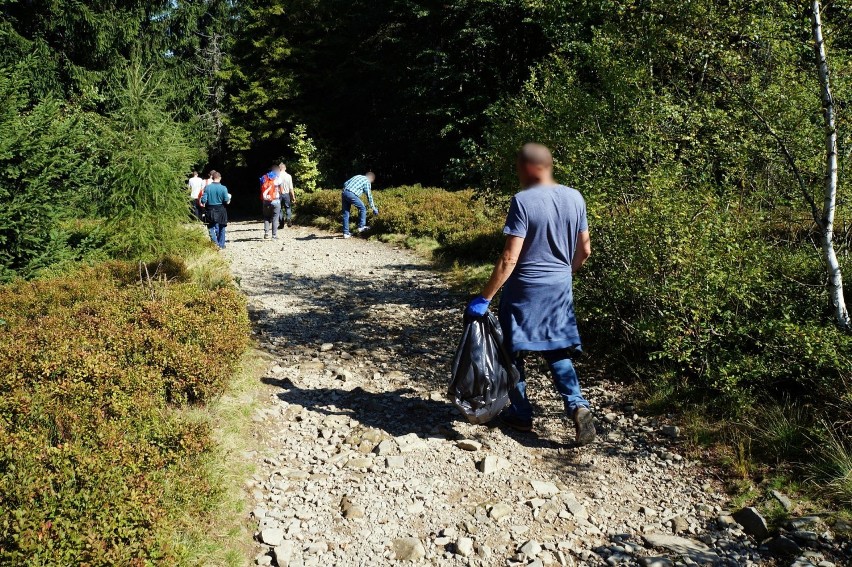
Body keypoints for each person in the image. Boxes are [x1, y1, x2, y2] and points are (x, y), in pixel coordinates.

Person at [465, 143, 596, 446]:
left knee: (512, 352)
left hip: (524, 289)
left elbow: (510, 258)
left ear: (528, 168)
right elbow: (585, 250)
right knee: (557, 350)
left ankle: (521, 414)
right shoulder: (575, 197)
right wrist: (565, 273)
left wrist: (484, 298)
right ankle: (577, 405)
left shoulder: (522, 201)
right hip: (559, 289)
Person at [341, 172, 378, 239]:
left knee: (346, 213)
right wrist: (373, 207)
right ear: (371, 178)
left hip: (344, 192)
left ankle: (345, 233)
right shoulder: (367, 181)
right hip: (351, 194)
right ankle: (361, 227)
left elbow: (345, 183)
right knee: (362, 208)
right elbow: (369, 195)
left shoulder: (357, 176)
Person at [200, 170, 231, 249]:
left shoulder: (207, 187)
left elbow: (203, 200)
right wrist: (229, 199)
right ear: (220, 178)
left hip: (210, 209)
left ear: (212, 177)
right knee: (222, 227)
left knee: (210, 227)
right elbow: (226, 201)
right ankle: (221, 245)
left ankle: (215, 243)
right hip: (221, 209)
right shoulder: (223, 188)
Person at [259, 166, 282, 240]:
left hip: (266, 201)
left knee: (266, 217)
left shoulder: (264, 177)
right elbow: (281, 190)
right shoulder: (278, 178)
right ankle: (274, 236)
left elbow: (261, 188)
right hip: (276, 200)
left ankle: (266, 233)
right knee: (275, 218)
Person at [277, 163, 296, 229]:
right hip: (286, 194)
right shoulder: (289, 176)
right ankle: (288, 219)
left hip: (278, 194)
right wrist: (293, 197)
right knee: (288, 207)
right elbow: (291, 188)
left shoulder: (277, 175)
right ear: (285, 168)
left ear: (279, 168)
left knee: (279, 209)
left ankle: (281, 224)